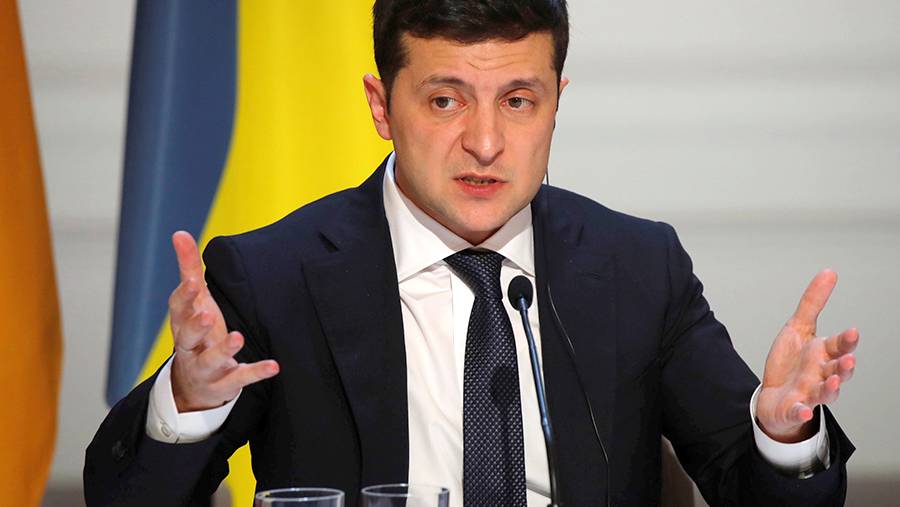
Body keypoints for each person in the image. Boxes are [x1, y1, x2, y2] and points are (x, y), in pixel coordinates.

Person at [84, 1, 858, 505]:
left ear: (556, 103)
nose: (485, 142)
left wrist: (785, 433)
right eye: (445, 99)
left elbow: (756, 488)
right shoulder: (275, 275)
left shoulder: (637, 268)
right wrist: (187, 403)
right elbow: (123, 496)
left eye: (518, 101)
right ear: (382, 106)